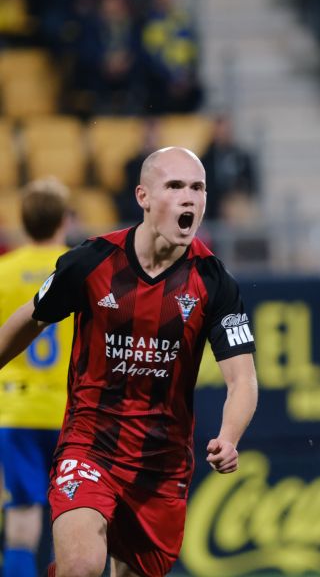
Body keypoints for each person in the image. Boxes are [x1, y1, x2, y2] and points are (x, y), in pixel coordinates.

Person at [0, 147, 259, 577]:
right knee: (80, 567)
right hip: (90, 444)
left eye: (197, 188)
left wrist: (230, 437)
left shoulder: (215, 282)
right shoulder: (91, 260)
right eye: (175, 186)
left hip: (161, 464)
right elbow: (31, 317)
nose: (189, 198)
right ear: (142, 196)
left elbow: (243, 379)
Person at [0, 179, 72, 577]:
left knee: (22, 519)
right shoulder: (80, 269)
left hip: (15, 410)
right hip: (71, 413)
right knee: (75, 517)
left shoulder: (3, 271)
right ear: (65, 219)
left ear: (22, 221)